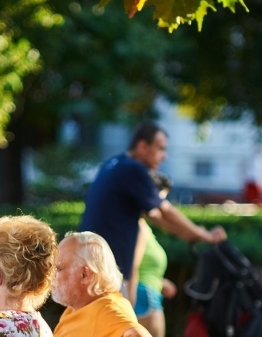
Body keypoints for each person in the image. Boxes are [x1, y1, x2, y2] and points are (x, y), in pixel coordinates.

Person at [80, 121, 227, 291]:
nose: (165, 156)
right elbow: (166, 211)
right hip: (109, 271)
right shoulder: (133, 169)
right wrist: (206, 235)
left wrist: (192, 235)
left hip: (90, 265)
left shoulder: (113, 163)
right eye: (161, 148)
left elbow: (155, 216)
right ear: (143, 146)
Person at [52, 231, 159, 337]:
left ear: (85, 274)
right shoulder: (79, 307)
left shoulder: (106, 308)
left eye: (58, 268)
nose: (51, 275)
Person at [129, 172, 178, 337]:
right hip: (144, 296)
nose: (159, 206)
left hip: (146, 291)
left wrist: (159, 281)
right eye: (159, 199)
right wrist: (129, 303)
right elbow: (131, 266)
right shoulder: (138, 227)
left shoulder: (140, 225)